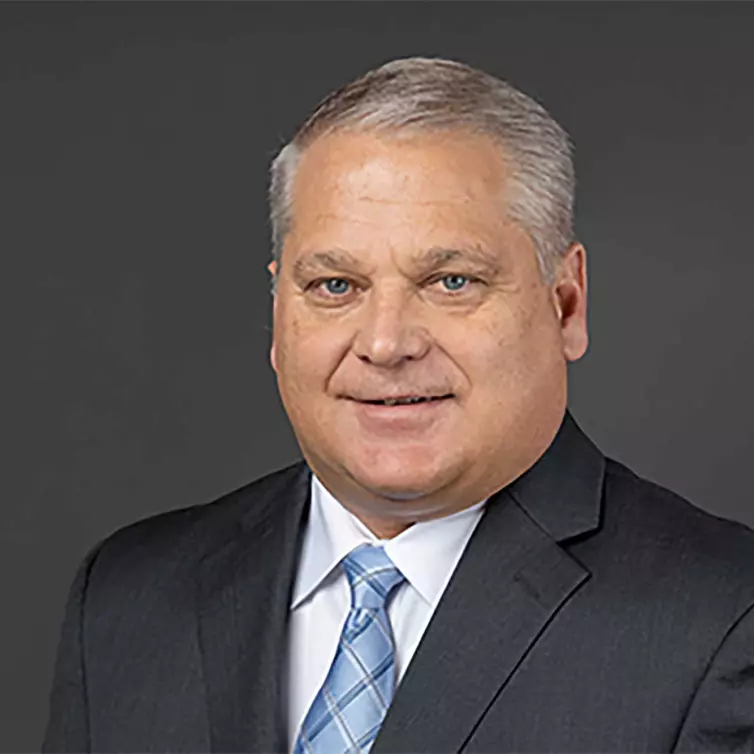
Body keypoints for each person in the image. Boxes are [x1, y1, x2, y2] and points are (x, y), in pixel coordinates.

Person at [43, 57, 754, 754]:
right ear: (277, 309)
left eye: (451, 281)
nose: (385, 344)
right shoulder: (125, 598)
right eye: (335, 286)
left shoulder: (724, 618)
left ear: (565, 304)